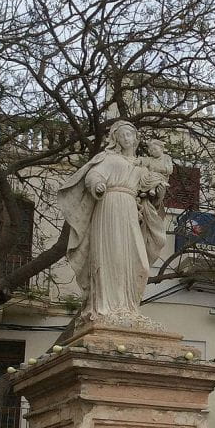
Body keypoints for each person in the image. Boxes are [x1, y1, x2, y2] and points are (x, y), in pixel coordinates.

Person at [58, 120, 167, 322]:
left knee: (140, 263)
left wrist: (158, 192)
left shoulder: (140, 165)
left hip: (130, 211)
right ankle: (107, 307)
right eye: (123, 135)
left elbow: (149, 193)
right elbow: (93, 175)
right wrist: (97, 184)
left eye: (130, 134)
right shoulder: (108, 158)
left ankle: (129, 307)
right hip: (109, 206)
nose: (127, 138)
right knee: (112, 256)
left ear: (136, 138)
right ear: (116, 139)